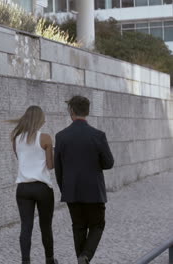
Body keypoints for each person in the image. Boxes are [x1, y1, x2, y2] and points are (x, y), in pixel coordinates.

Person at [54, 96, 114, 264]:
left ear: (71, 111)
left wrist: (65, 188)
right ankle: (85, 256)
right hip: (94, 191)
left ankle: (82, 257)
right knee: (97, 225)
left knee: (78, 227)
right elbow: (109, 163)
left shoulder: (61, 136)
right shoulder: (98, 135)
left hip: (71, 191)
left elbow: (59, 169)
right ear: (87, 111)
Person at [9, 105, 58, 264]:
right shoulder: (45, 138)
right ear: (39, 119)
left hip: (23, 188)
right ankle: (49, 260)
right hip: (42, 187)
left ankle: (25, 261)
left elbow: (22, 161)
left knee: (26, 227)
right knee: (46, 226)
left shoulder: (16, 138)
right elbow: (50, 166)